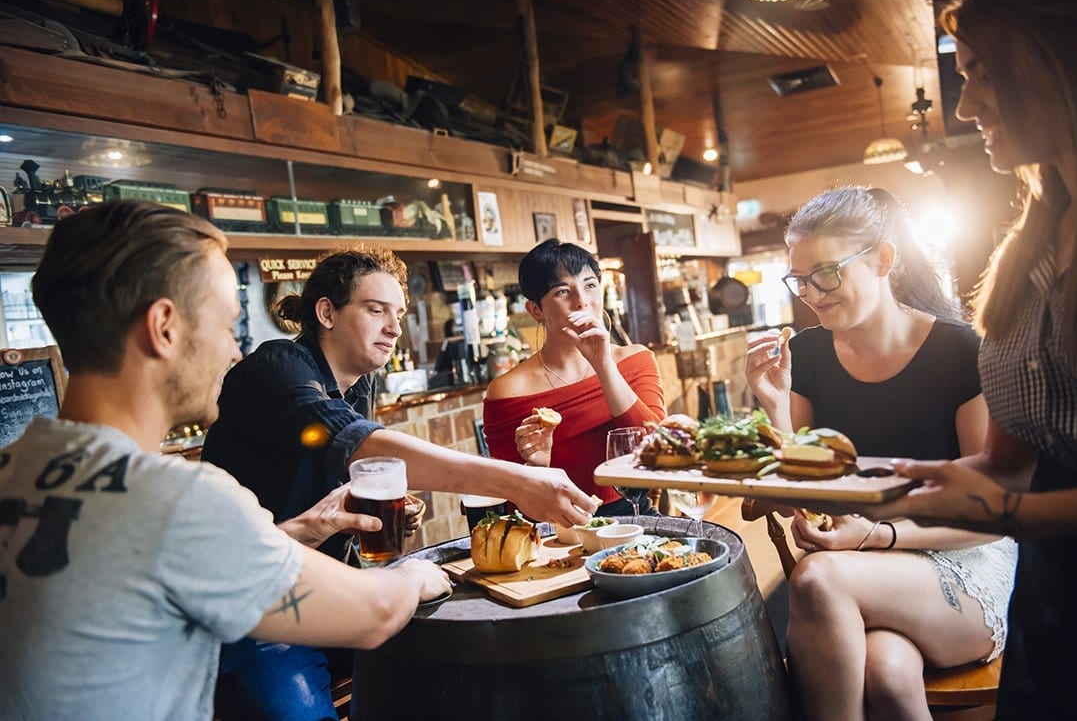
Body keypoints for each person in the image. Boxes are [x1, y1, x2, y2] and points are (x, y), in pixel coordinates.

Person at [0, 201, 451, 720]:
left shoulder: (19, 469)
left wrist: (305, 527)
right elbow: (375, 612)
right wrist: (416, 576)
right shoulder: (176, 498)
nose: (234, 352)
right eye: (225, 326)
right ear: (164, 327)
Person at [203, 246, 598, 720]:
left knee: (461, 675)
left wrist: (378, 513)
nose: (394, 327)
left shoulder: (360, 384)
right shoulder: (277, 367)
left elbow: (343, 481)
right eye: (376, 311)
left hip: (333, 592)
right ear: (326, 312)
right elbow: (359, 445)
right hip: (257, 616)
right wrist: (518, 481)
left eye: (398, 313)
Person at [863, 0, 1077, 717]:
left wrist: (1000, 506)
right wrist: (875, 488)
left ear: (1054, 67)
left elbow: (1006, 494)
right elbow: (1010, 463)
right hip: (1054, 604)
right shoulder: (1031, 246)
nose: (965, 107)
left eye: (981, 73)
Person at [745, 186, 1017, 720]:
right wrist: (774, 409)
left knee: (817, 578)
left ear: (883, 259)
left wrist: (876, 534)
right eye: (799, 279)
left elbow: (990, 512)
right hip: (864, 568)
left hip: (961, 561)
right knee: (888, 676)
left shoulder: (961, 350)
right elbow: (802, 486)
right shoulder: (807, 355)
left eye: (826, 272)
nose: (812, 294)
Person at [483, 239, 665, 516]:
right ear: (536, 311)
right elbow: (509, 495)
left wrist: (604, 366)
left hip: (633, 514)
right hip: (552, 528)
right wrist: (537, 467)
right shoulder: (508, 391)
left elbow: (658, 451)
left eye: (590, 285)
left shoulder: (636, 360)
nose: (582, 302)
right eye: (563, 291)